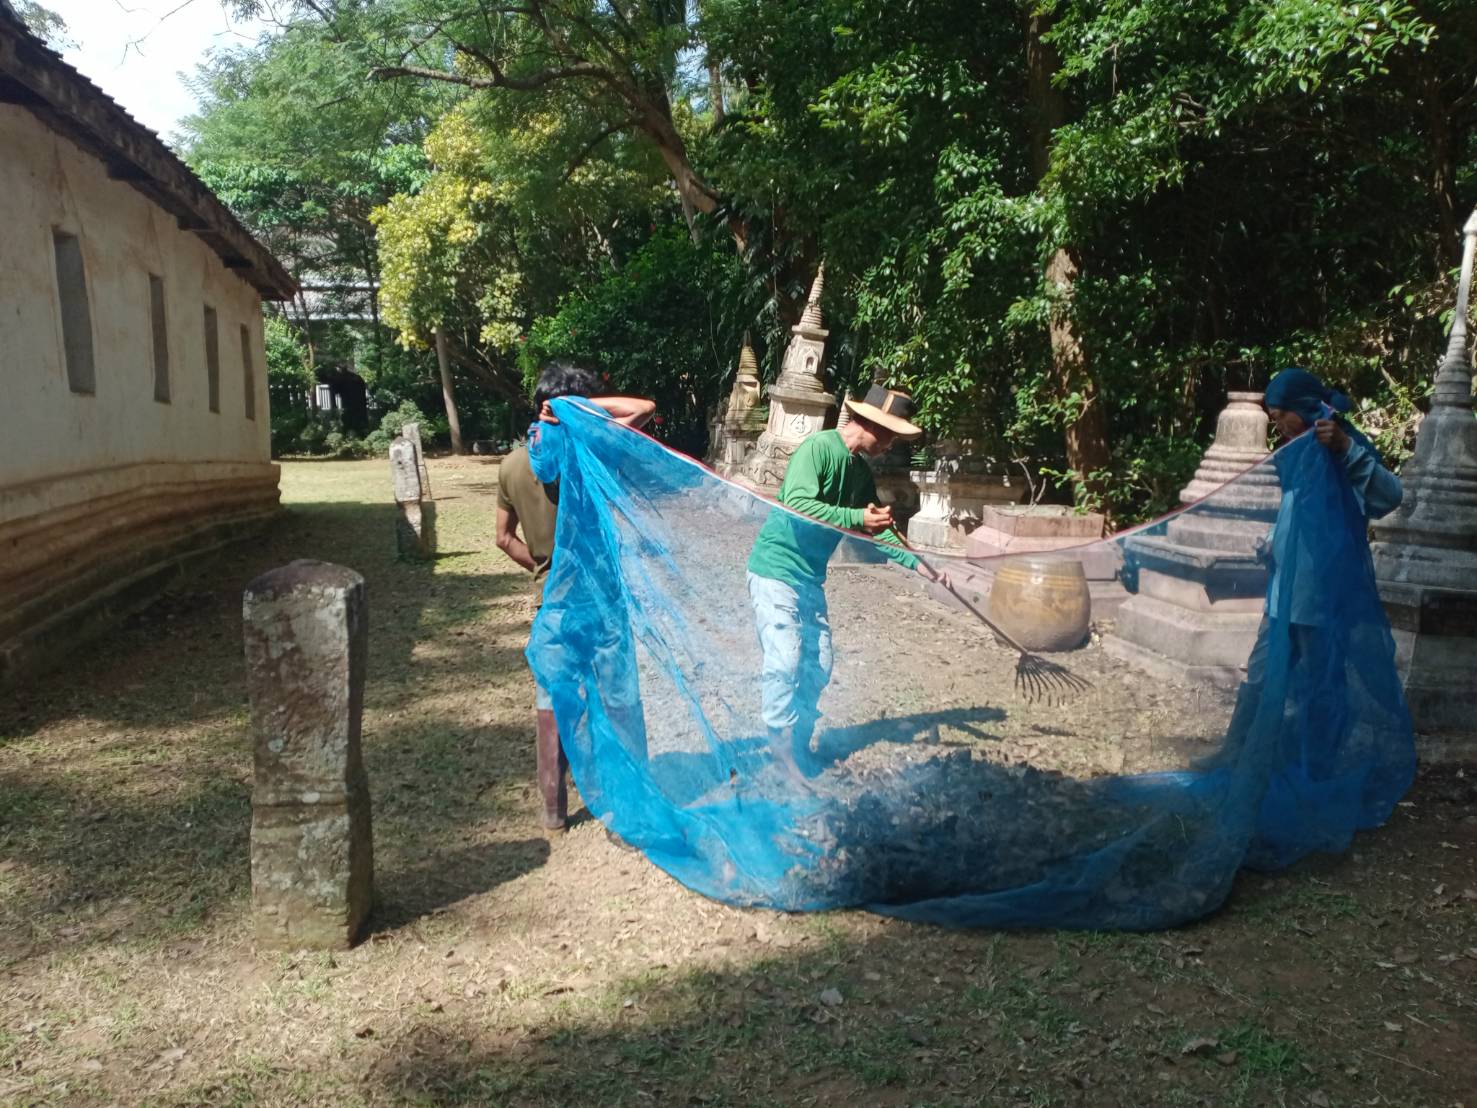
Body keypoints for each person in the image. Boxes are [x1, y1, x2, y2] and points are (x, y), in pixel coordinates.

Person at [746, 385, 950, 781]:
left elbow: (879, 529)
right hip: (776, 569)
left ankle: (800, 744)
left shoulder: (858, 472)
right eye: (890, 436)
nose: (890, 445)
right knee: (785, 660)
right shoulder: (818, 449)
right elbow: (797, 506)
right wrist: (857, 518)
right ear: (872, 425)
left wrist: (922, 566)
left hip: (809, 578)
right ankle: (781, 755)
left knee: (819, 665)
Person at [496, 361, 656, 830]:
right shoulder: (592, 452)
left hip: (553, 602)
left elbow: (503, 538)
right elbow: (644, 408)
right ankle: (626, 805)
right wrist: (585, 408)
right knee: (617, 699)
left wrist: (543, 570)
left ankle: (553, 809)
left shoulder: (512, 464)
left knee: (551, 697)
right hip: (601, 600)